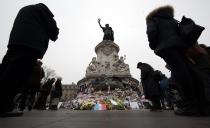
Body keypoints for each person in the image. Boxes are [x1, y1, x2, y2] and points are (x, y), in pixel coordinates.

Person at [0, 3, 59, 116]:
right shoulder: (44, 12)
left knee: (4, 70)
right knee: (16, 75)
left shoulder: (25, 9)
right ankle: (4, 105)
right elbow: (54, 32)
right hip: (30, 44)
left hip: (14, 42)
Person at [146, 5, 204, 116]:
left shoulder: (152, 19)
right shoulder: (171, 19)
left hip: (166, 47)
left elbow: (152, 33)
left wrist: (153, 45)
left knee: (179, 73)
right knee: (190, 71)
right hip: (180, 47)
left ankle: (190, 105)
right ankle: (201, 104)